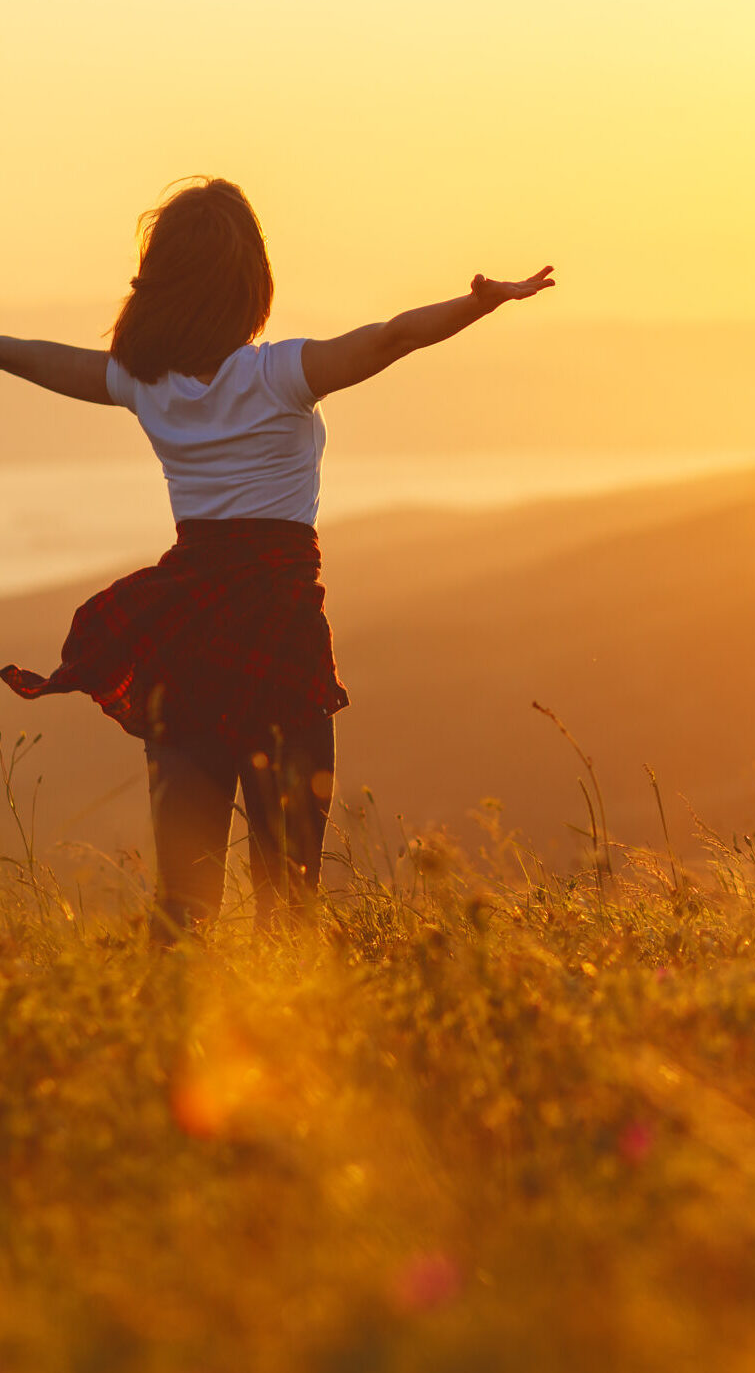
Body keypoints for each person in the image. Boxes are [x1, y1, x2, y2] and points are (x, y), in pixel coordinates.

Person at [0, 177, 554, 939]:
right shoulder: (278, 375)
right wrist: (480, 303)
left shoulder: (143, 385)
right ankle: (288, 1040)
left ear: (159, 285)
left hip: (188, 640)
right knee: (289, 903)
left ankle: (168, 1045)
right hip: (280, 644)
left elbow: (39, 357)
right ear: (250, 285)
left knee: (184, 905)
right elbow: (391, 335)